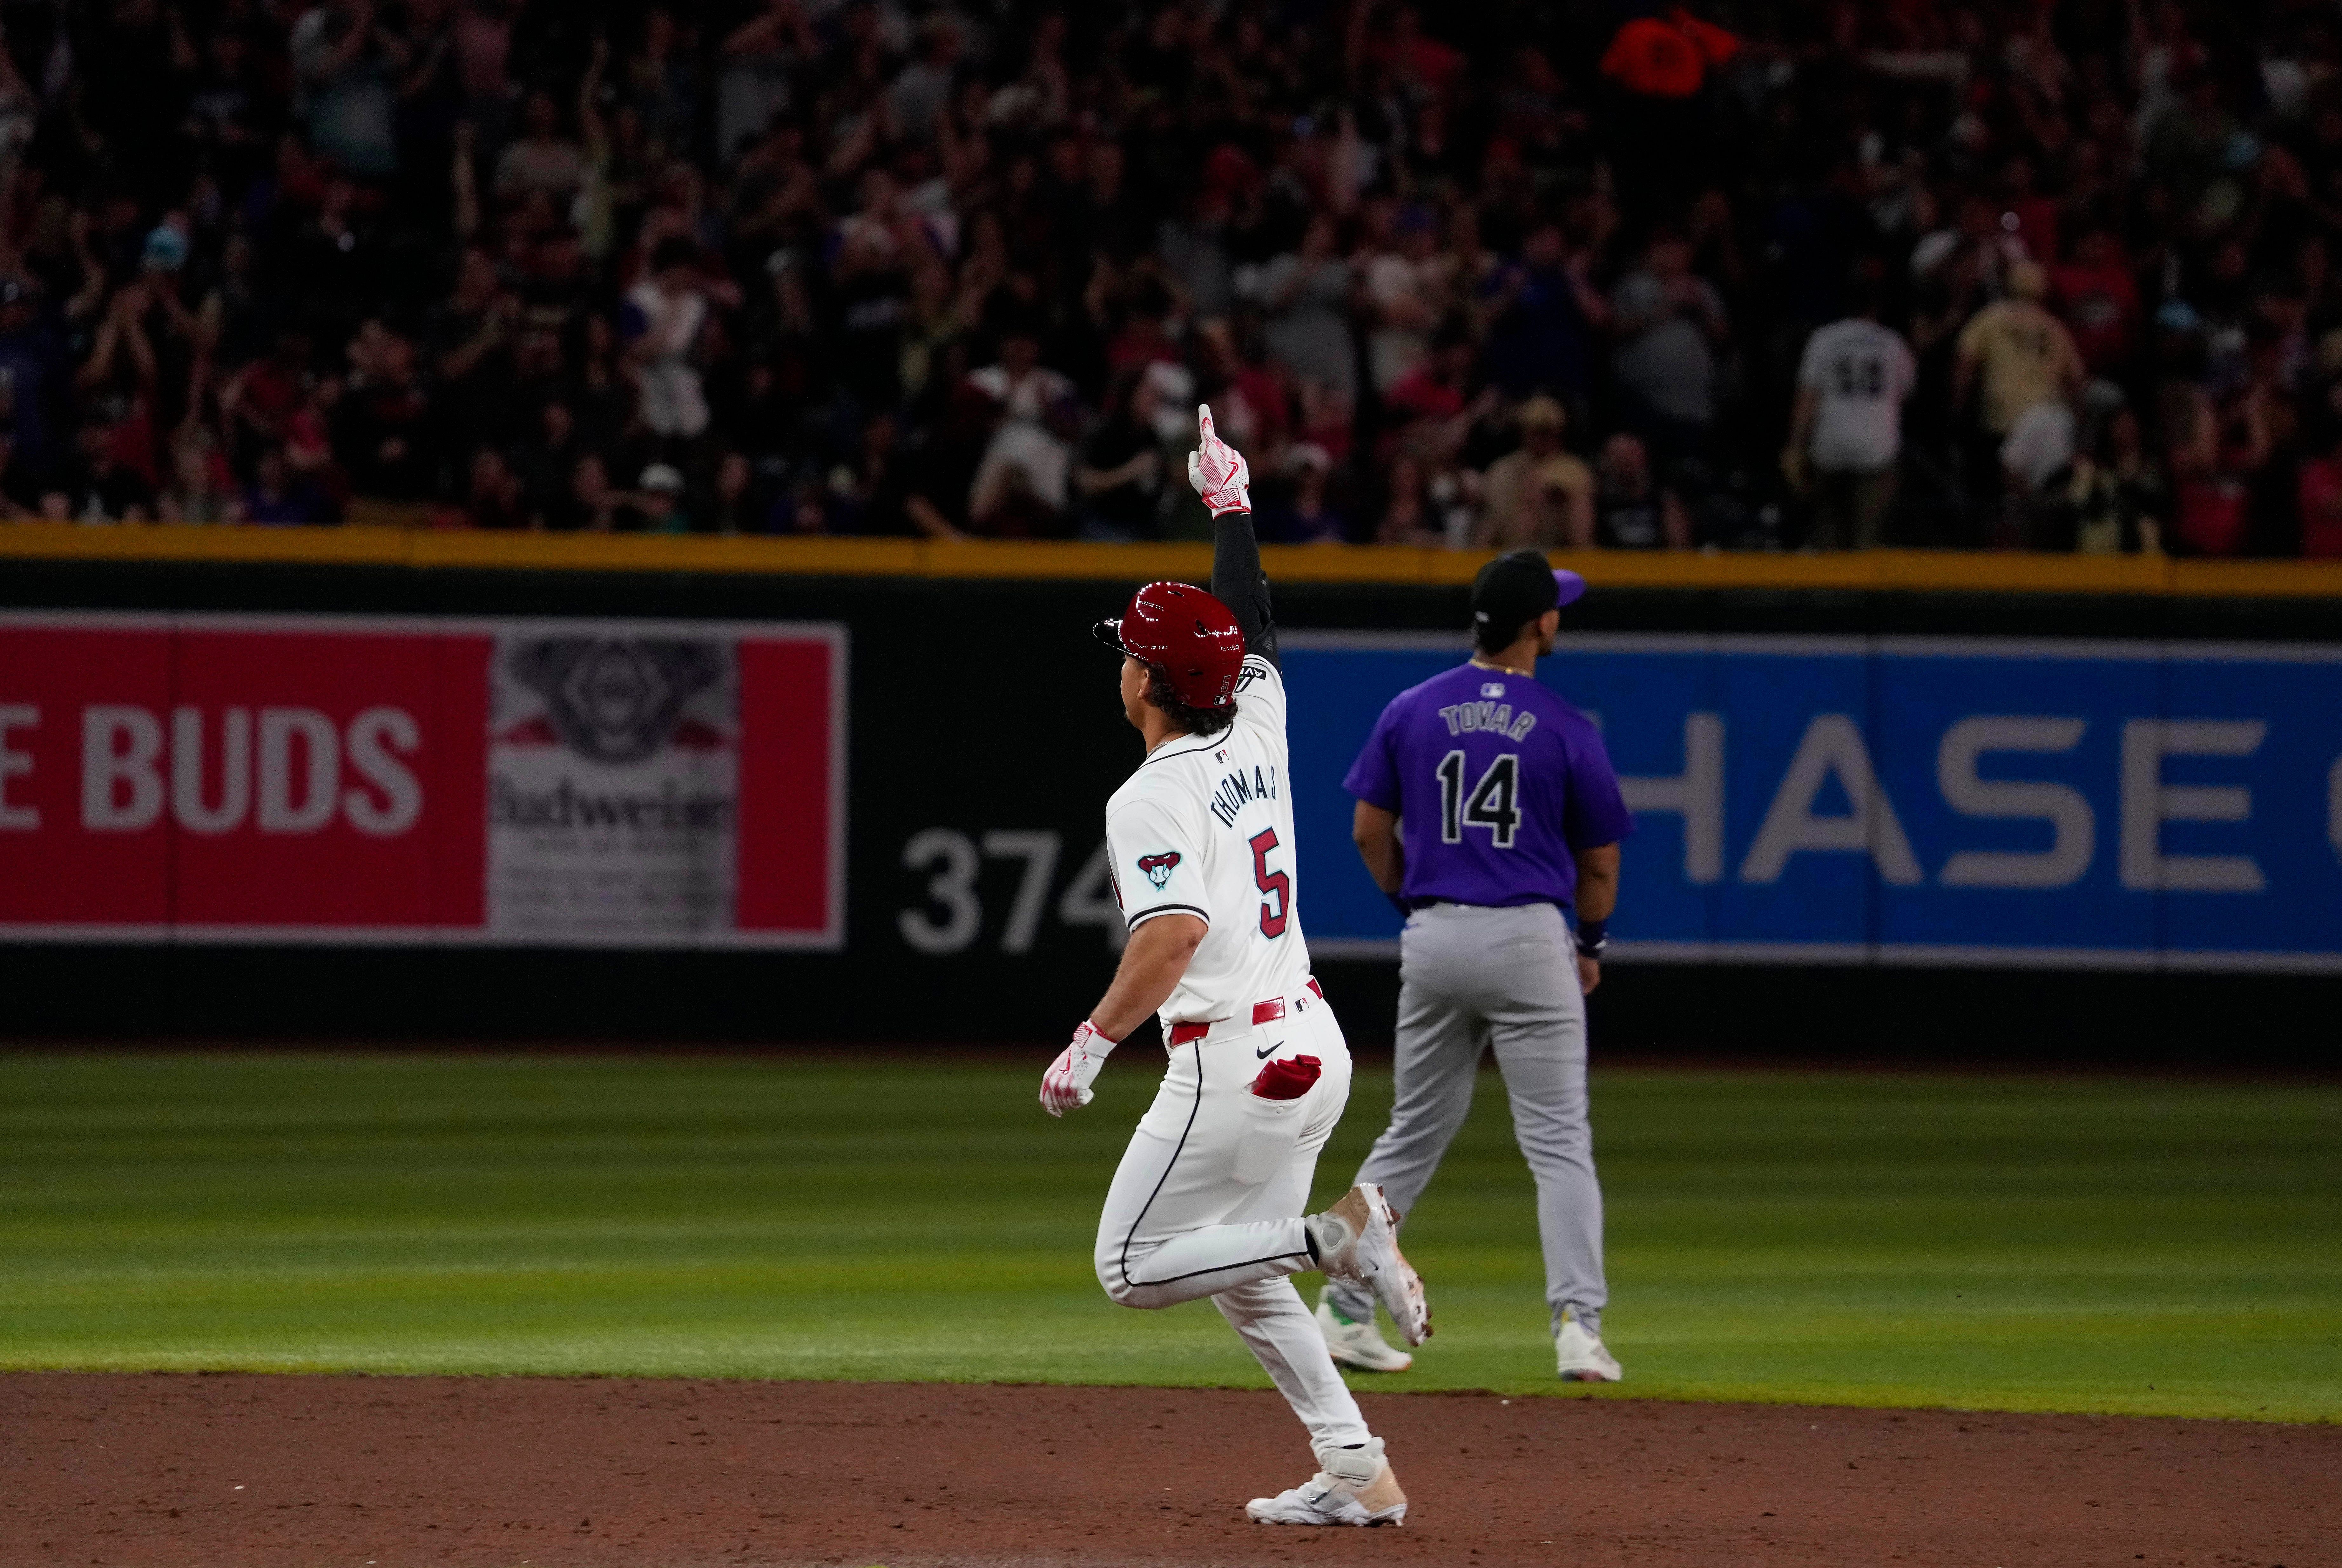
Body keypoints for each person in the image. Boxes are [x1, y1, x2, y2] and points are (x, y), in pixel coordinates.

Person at [1041, 406, 1430, 1529]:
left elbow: (1167, 941)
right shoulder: (1258, 715)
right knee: (1238, 1269)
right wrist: (1232, 506)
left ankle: (1332, 1236)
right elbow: (1251, 622)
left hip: (1236, 1064)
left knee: (1133, 1262)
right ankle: (1355, 1462)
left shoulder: (1149, 794)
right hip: (1311, 1038)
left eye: (1131, 652)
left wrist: (1091, 1039)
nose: (1120, 663)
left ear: (1152, 682)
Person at [1323, 551, 1634, 1383]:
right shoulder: (1565, 725)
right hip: (1530, 939)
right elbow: (1597, 863)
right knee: (1558, 1144)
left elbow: (1365, 830)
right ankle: (1576, 1327)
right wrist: (1591, 946)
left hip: (1433, 936)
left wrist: (1417, 906)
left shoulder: (1411, 709)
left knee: (1410, 1132)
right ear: (1541, 624)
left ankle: (1343, 1310)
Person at [1786, 286, 1916, 549]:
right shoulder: (1892, 343)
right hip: (1876, 449)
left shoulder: (1824, 338)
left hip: (1830, 446)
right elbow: (1905, 394)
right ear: (1876, 308)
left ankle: (1828, 584)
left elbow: (1807, 398)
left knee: (1828, 534)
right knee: (1867, 537)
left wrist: (1795, 445)